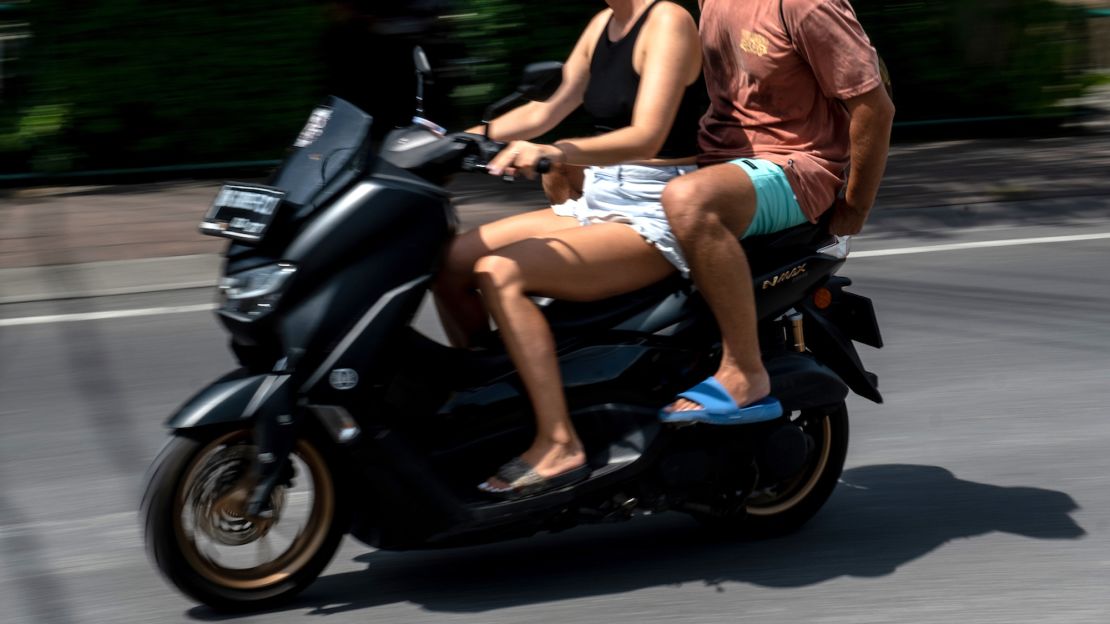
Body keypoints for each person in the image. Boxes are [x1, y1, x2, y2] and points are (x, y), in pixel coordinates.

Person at [433, 0, 705, 498]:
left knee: (500, 272)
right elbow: (548, 108)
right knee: (448, 262)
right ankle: (494, 405)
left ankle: (560, 442)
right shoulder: (604, 23)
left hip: (653, 208)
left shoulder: (668, 20)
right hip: (599, 198)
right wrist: (463, 139)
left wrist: (558, 151)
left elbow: (648, 133)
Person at [659, 0, 895, 419]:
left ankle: (742, 370)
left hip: (796, 167)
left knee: (689, 202)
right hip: (718, 163)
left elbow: (874, 108)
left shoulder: (803, 4)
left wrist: (855, 207)